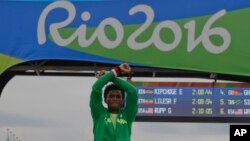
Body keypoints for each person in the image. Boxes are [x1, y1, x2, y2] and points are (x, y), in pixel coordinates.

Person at [90, 63, 138, 141]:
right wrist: (116, 71)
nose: (115, 98)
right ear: (105, 100)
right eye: (111, 96)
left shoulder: (127, 115)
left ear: (122, 101)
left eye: (118, 97)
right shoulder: (99, 113)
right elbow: (96, 88)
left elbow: (133, 92)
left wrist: (110, 76)